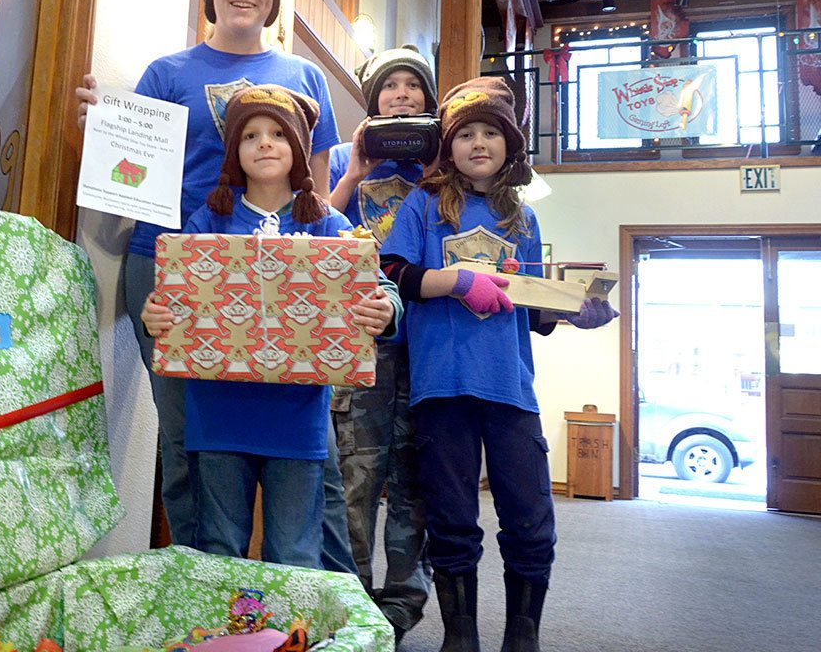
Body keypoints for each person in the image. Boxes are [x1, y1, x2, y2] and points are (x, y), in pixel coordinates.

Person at [76, 0, 351, 566]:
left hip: (283, 274)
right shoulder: (167, 73)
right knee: (186, 439)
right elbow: (132, 165)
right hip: (168, 265)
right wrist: (105, 132)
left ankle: (334, 603)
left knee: (314, 452)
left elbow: (316, 190)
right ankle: (204, 594)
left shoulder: (303, 74)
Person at [384, 77, 618, 652]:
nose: (479, 142)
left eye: (492, 132)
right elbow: (397, 275)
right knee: (452, 516)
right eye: (466, 133)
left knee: (530, 515)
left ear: (510, 146)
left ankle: (524, 633)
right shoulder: (422, 205)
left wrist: (572, 311)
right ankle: (460, 633)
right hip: (440, 387)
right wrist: (461, 281)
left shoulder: (524, 219)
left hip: (510, 388)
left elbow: (530, 304)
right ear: (450, 145)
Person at [140, 85, 398, 568]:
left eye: (278, 134)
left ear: (298, 148)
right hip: (217, 414)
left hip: (295, 418)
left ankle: (287, 642)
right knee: (219, 550)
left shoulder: (330, 225)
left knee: (294, 552)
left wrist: (385, 311)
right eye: (251, 135)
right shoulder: (207, 219)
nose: (264, 144)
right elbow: (172, 296)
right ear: (234, 150)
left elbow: (380, 287)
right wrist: (158, 314)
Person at [327, 45, 437, 644]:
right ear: (373, 101)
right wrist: (353, 172)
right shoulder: (347, 157)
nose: (401, 94)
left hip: (422, 343)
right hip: (357, 343)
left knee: (413, 479)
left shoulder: (441, 168)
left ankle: (401, 605)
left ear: (427, 99)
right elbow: (309, 229)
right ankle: (352, 598)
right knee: (356, 473)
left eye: (412, 86)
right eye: (389, 86)